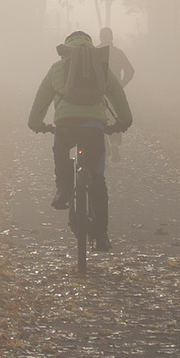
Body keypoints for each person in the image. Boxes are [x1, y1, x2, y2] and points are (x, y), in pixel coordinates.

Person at [28, 30, 133, 252]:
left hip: (66, 125)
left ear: (68, 49)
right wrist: (124, 121)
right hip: (94, 127)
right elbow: (117, 95)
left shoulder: (57, 68)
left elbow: (41, 99)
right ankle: (102, 235)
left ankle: (64, 190)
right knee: (97, 178)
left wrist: (36, 124)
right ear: (90, 46)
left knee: (61, 152)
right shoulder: (99, 67)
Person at [99, 26, 135, 162]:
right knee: (115, 119)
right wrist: (121, 85)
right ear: (112, 37)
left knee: (100, 120)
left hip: (99, 94)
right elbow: (130, 71)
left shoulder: (95, 52)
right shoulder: (118, 53)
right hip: (114, 94)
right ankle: (114, 144)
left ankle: (105, 150)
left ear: (101, 37)